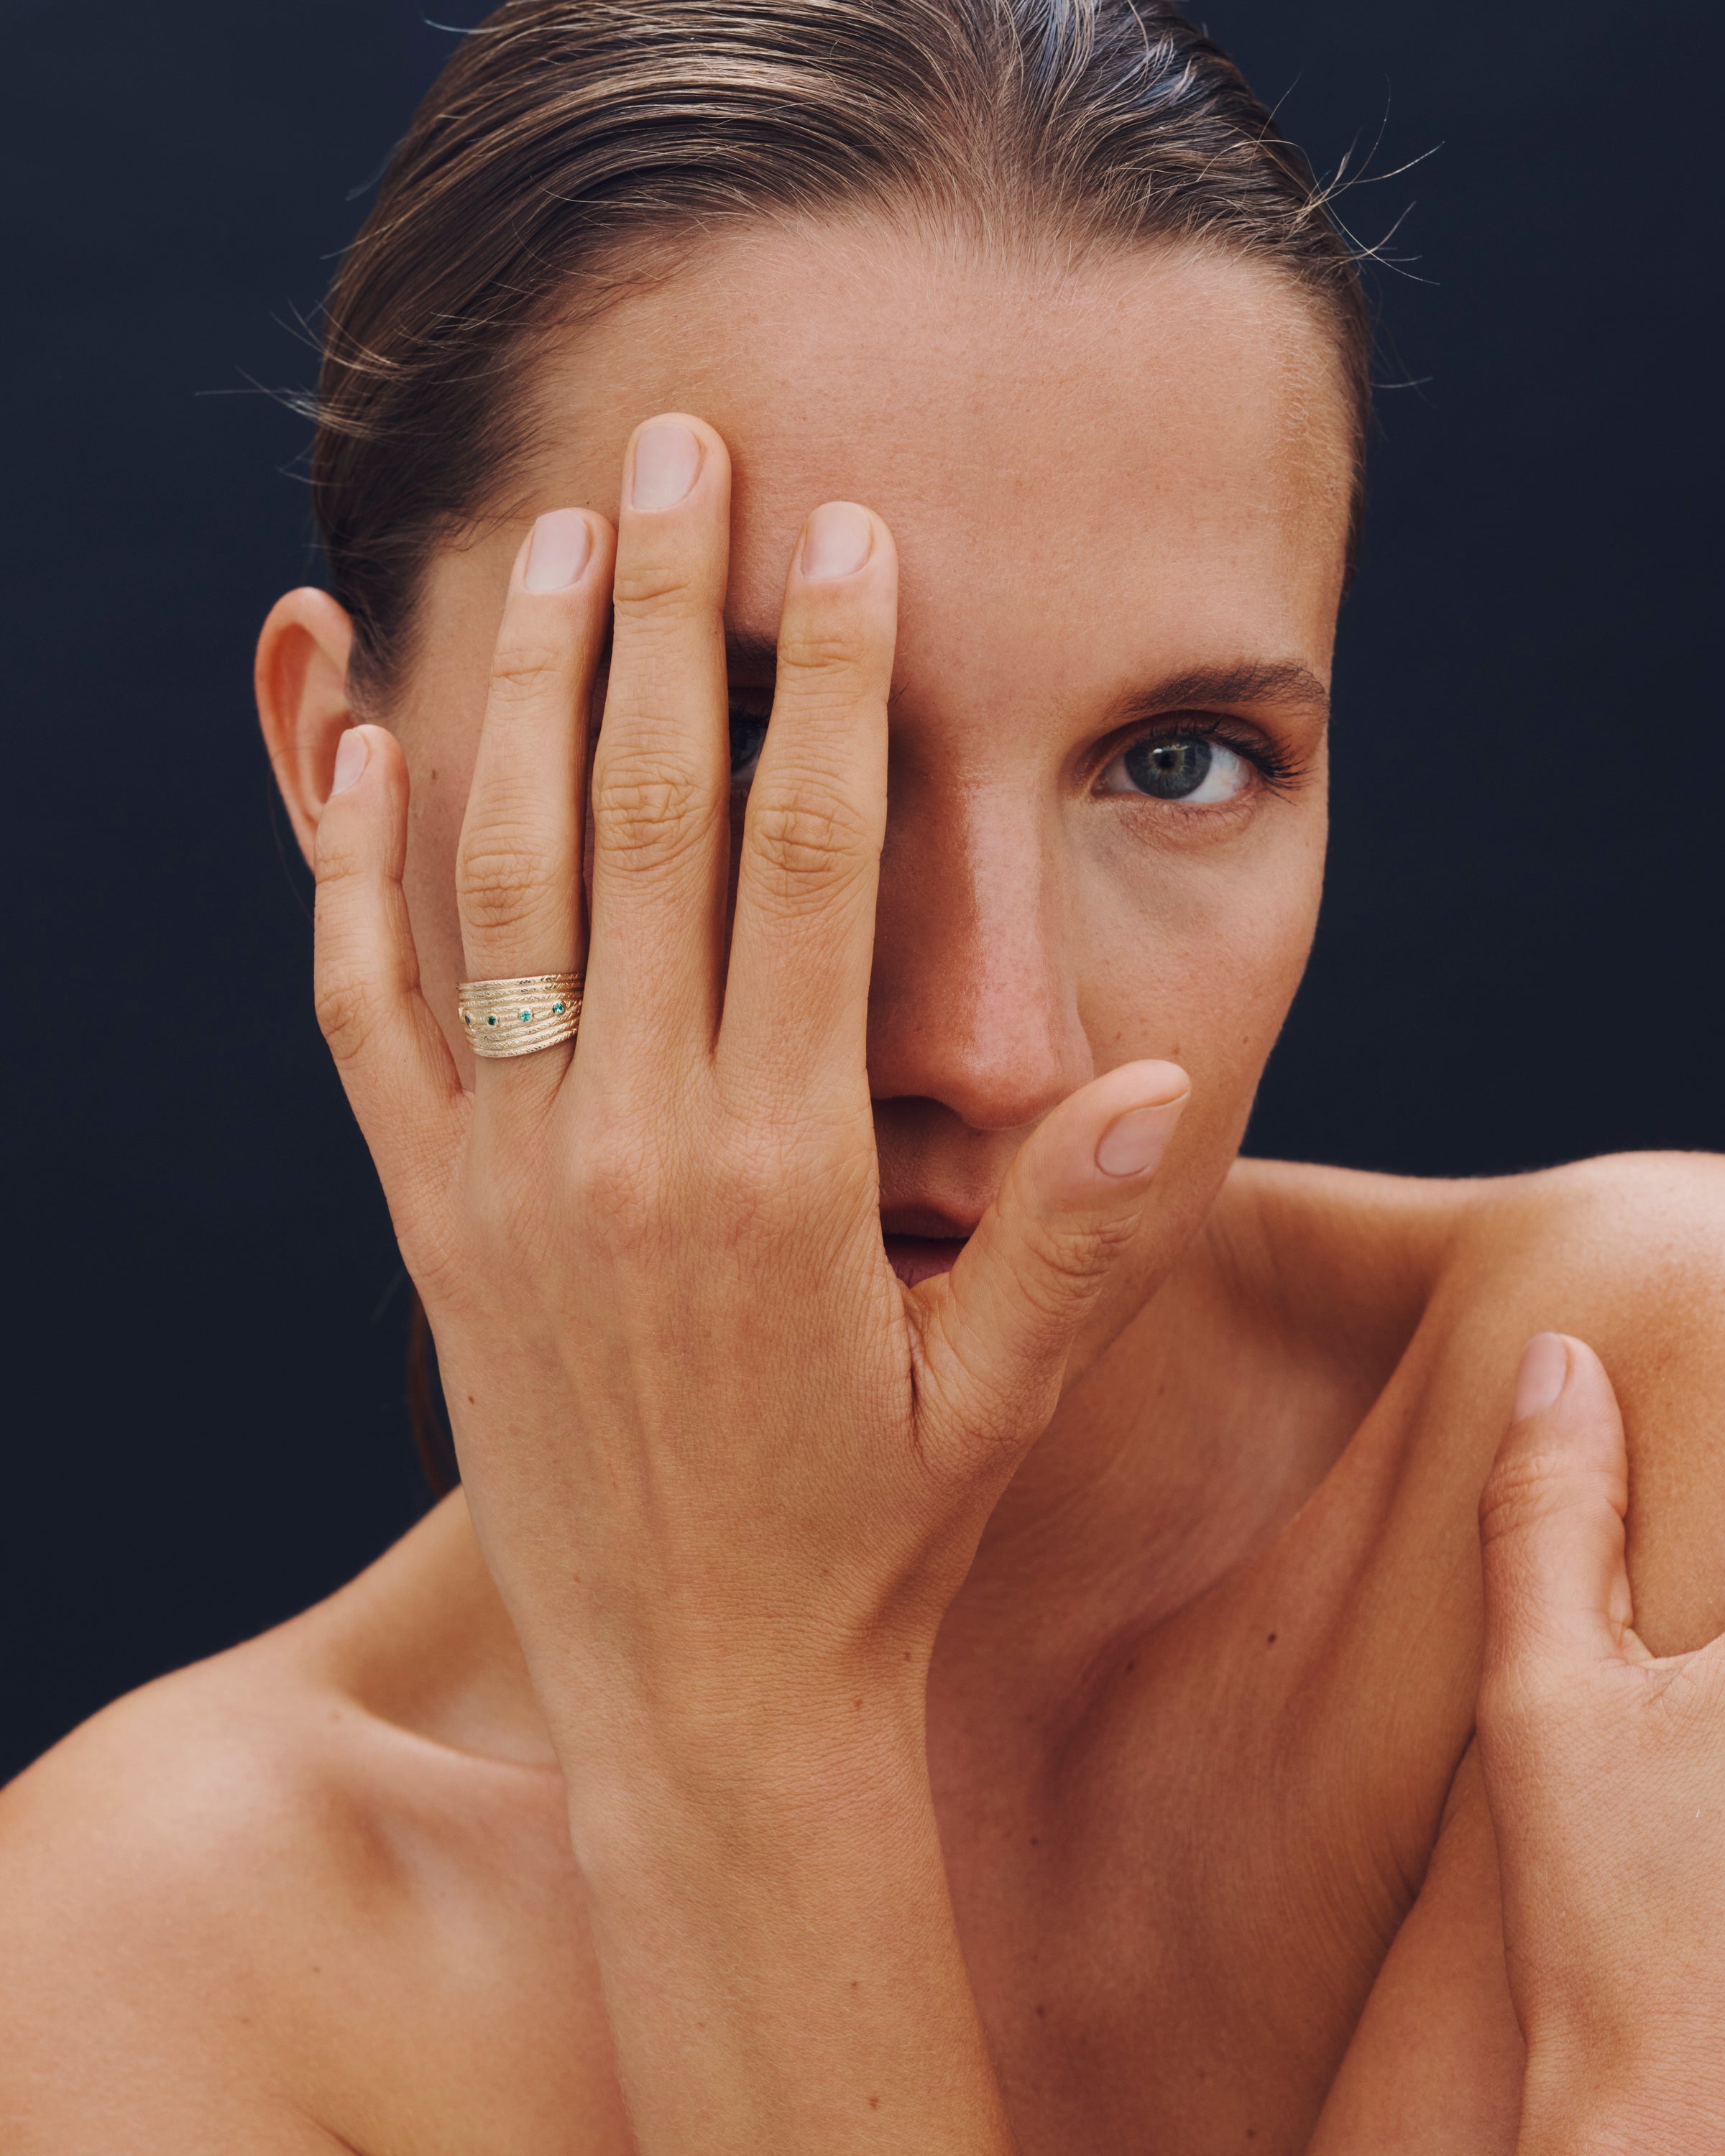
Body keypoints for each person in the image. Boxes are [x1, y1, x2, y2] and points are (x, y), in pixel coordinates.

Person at [3, 3, 1722, 2148]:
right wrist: (741, 1715)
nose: (993, 1046)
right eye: (735, 735)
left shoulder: (1644, 1427)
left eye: (1181, 762)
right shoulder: (128, 1978)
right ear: (341, 769)